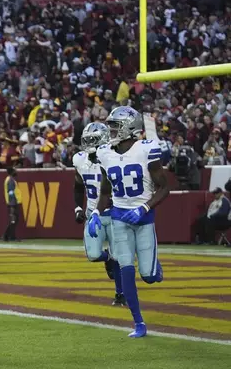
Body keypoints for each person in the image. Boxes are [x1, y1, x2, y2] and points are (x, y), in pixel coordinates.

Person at [89, 106, 170, 338]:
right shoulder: (105, 153)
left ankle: (155, 270)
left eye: (115, 126)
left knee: (148, 275)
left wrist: (144, 207)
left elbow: (165, 187)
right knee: (125, 268)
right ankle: (139, 323)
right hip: (119, 218)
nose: (111, 131)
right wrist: (95, 213)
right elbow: (105, 190)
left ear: (129, 127)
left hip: (144, 219)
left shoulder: (146, 150)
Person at [73, 123, 125, 306]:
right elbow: (78, 186)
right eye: (87, 140)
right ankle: (108, 259)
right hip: (92, 214)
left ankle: (121, 294)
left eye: (93, 140)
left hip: (114, 213)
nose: (89, 144)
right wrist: (78, 208)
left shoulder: (114, 158)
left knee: (119, 256)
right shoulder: (79, 160)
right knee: (93, 254)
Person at [2, 167, 21, 242]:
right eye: (15, 170)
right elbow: (11, 192)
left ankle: (11, 236)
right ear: (12, 171)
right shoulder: (10, 180)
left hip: (12, 202)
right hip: (12, 203)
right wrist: (12, 204)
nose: (16, 171)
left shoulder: (10, 179)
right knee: (13, 220)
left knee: (14, 220)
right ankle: (6, 236)